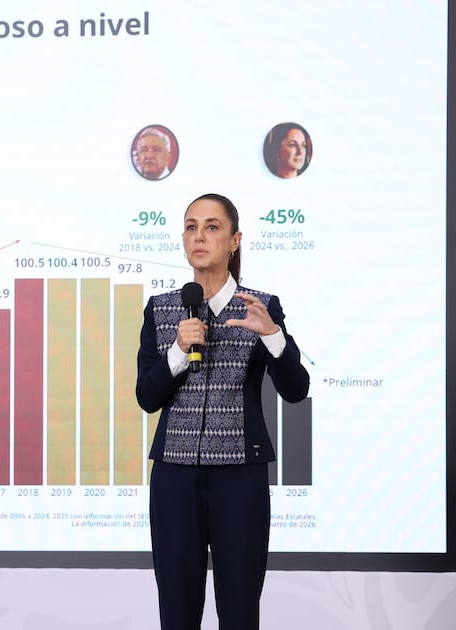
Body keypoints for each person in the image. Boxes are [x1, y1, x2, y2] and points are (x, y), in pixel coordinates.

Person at [135, 193, 309, 629]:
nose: (199, 236)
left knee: (239, 610)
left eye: (212, 227)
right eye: (191, 227)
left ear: (234, 241)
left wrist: (272, 336)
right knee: (176, 611)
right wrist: (178, 350)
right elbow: (147, 397)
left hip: (239, 477)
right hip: (174, 477)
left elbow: (296, 390)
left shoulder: (261, 307)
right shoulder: (161, 309)